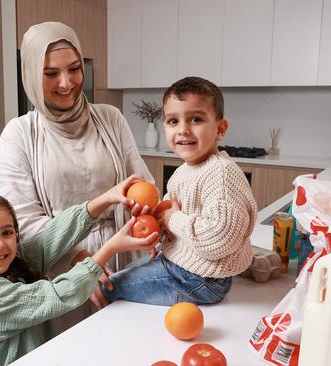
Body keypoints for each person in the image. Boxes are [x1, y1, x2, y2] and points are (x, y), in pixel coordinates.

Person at [0, 176, 158, 366]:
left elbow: (51, 237)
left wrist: (105, 199)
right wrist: (109, 248)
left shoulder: (15, 262)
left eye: (7, 232)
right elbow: (59, 293)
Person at [0, 21, 153, 276]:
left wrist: (153, 210)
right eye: (50, 74)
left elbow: (142, 184)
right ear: (31, 76)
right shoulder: (19, 135)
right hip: (63, 264)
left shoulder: (110, 118)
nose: (66, 83)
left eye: (74, 68)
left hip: (123, 252)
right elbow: (24, 222)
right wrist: (81, 261)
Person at [102, 76, 257, 306]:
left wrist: (173, 219)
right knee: (122, 273)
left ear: (220, 129)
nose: (183, 130)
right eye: (173, 121)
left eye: (195, 119)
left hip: (200, 279)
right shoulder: (183, 172)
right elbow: (172, 221)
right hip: (182, 266)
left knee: (111, 286)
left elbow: (220, 239)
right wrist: (160, 236)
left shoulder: (221, 174)